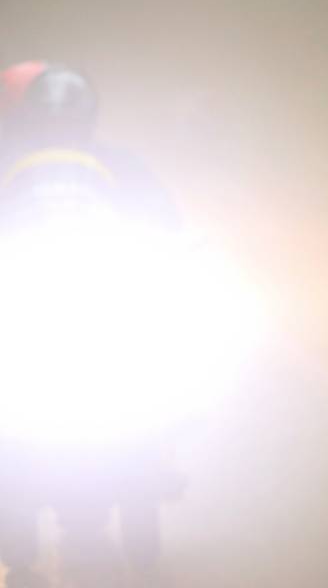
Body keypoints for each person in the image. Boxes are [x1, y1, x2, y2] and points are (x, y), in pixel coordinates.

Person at [0, 60, 182, 588]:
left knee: (168, 363)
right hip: (23, 309)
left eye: (69, 116)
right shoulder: (6, 164)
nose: (60, 125)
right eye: (50, 116)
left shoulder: (122, 165)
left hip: (104, 303)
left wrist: (173, 262)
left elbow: (168, 227)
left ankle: (154, 452)